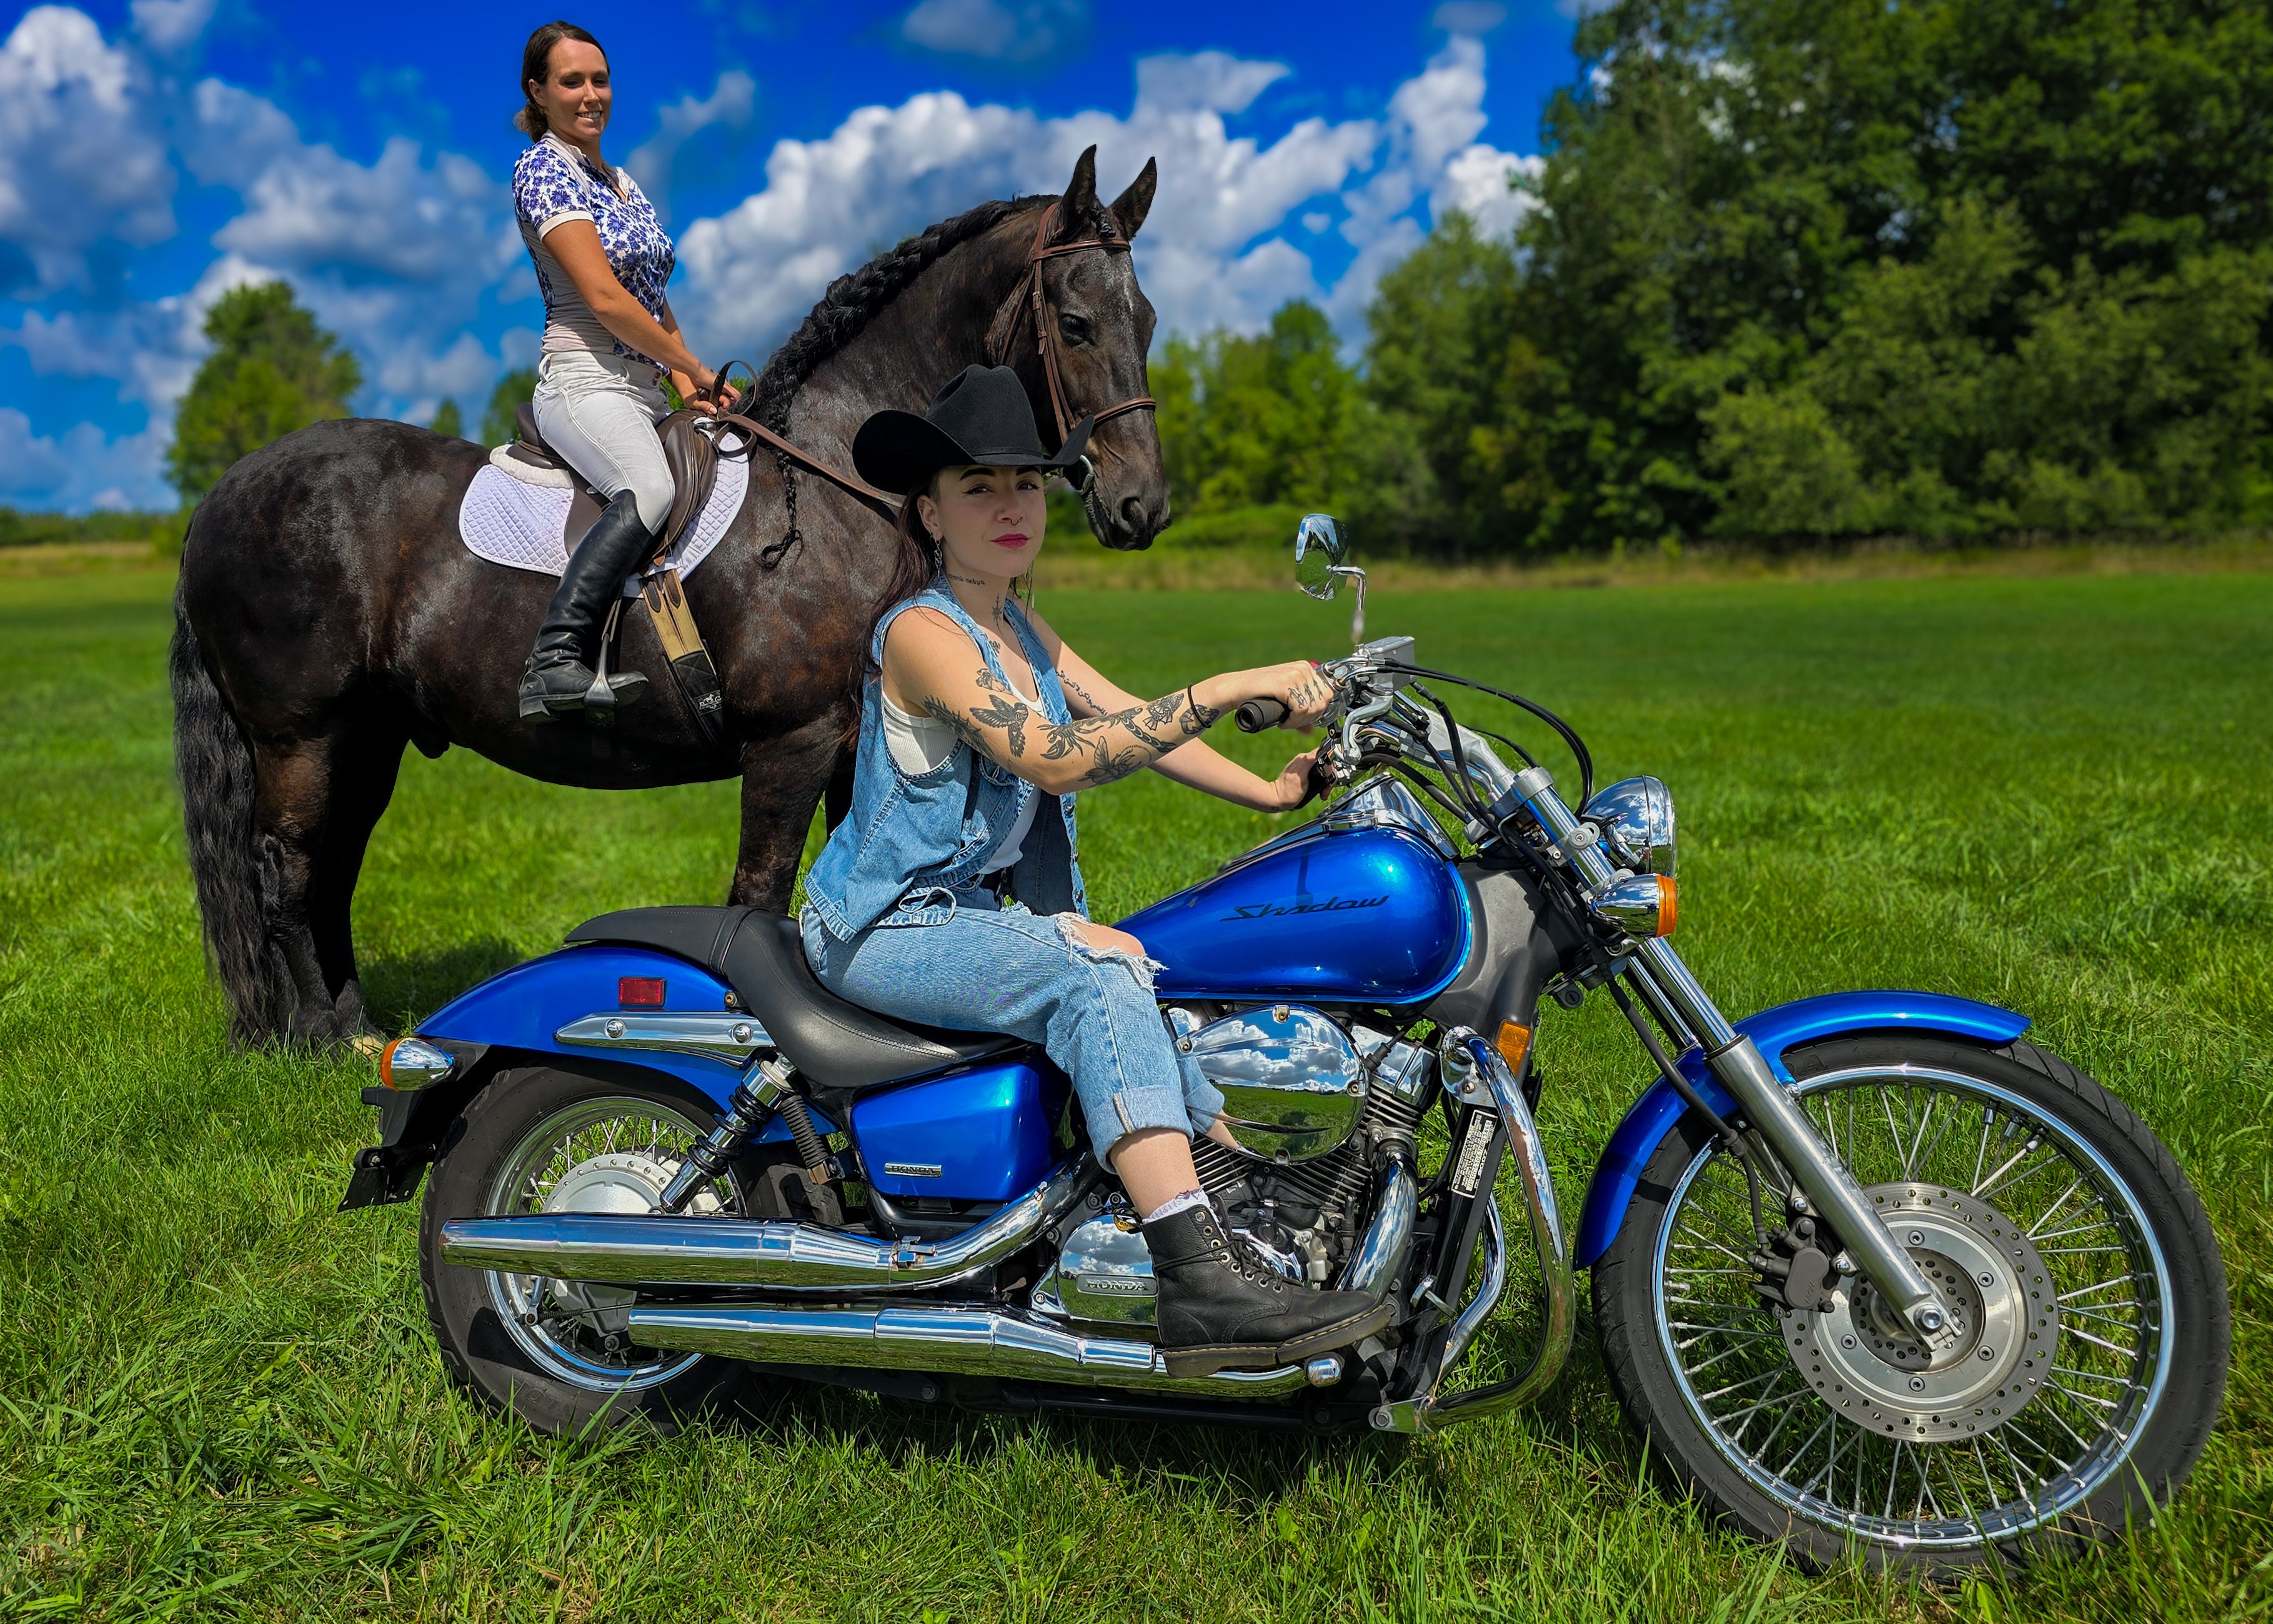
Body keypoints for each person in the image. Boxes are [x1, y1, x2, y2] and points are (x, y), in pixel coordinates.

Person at [798, 365, 1393, 1376]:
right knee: (1094, 972)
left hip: (957, 914)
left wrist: (1273, 794)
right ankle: (1199, 1282)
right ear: (930, 511)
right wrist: (1224, 685)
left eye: (1026, 483)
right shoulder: (920, 633)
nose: (1010, 505)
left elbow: (1126, 717)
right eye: (978, 486)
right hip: (881, 926)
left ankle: (1277, 1219)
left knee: (1172, 979)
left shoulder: (1020, 627)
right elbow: (1059, 753)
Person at [508, 20, 721, 723]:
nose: (591, 94)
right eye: (572, 81)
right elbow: (603, 299)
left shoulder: (621, 181)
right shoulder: (542, 169)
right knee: (649, 487)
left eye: (599, 79)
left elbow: (655, 298)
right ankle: (553, 660)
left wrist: (695, 386)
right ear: (538, 92)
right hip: (583, 379)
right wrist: (685, 363)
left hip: (643, 387)